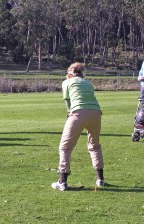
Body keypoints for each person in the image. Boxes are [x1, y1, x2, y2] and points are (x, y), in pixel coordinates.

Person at [51, 62, 105, 191]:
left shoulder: (66, 82)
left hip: (79, 112)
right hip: (96, 113)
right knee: (95, 146)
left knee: (65, 147)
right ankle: (100, 179)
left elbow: (68, 102)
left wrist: (69, 114)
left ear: (70, 73)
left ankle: (62, 181)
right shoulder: (88, 83)